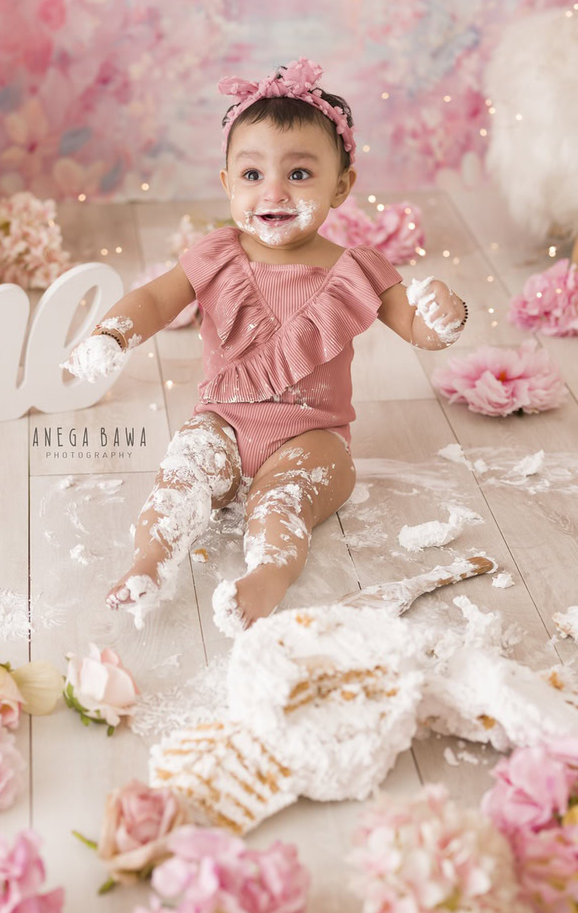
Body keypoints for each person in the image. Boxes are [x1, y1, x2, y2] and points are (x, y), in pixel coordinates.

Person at [60, 57, 468, 634]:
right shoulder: (216, 254)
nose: (272, 190)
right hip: (222, 421)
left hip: (313, 436)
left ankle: (266, 578)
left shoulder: (356, 269)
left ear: (341, 186)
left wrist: (443, 312)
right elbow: (154, 300)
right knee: (181, 476)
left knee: (282, 504)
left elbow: (418, 330)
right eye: (252, 175)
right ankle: (148, 563)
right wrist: (112, 333)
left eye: (299, 174)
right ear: (228, 184)